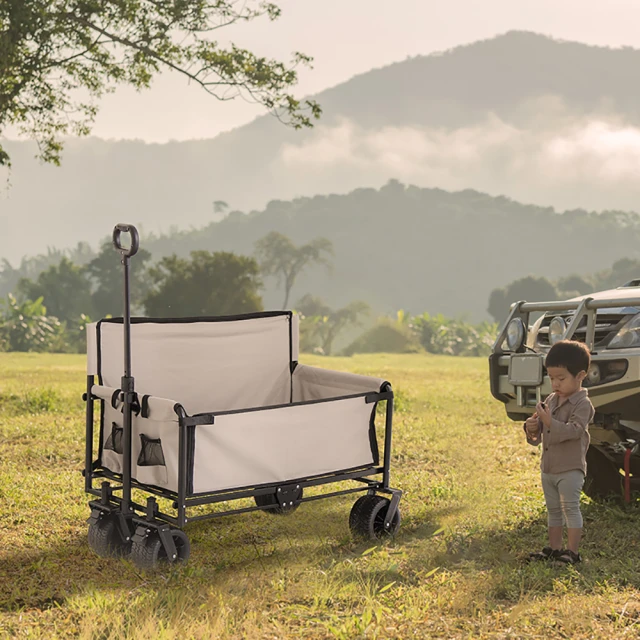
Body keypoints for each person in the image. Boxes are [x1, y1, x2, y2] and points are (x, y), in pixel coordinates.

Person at [524, 339, 595, 565]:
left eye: (561, 379)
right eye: (551, 378)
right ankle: (555, 549)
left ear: (580, 376)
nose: (555, 384)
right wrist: (532, 427)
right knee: (553, 510)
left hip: (570, 468)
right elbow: (540, 433)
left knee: (570, 509)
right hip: (549, 466)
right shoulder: (551, 400)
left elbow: (574, 431)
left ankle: (572, 552)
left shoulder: (583, 405)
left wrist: (549, 421)